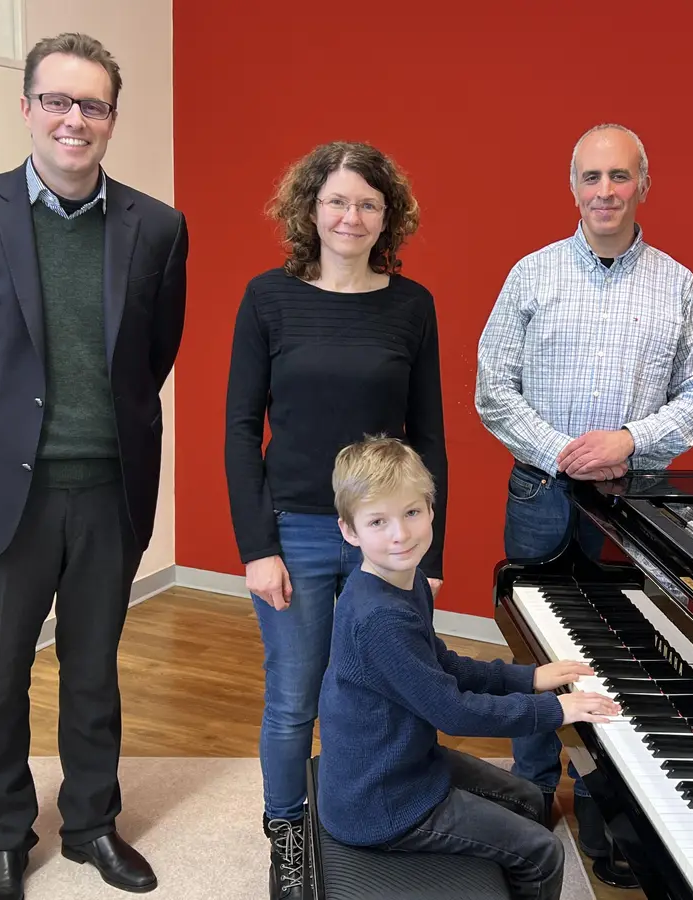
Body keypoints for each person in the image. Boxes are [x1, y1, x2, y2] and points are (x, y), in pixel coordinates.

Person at [0, 32, 187, 900]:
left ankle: (92, 827)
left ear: (111, 119)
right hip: (4, 495)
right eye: (58, 101)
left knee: (94, 667)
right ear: (26, 107)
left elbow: (154, 351)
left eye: (92, 105)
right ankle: (3, 835)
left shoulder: (158, 227)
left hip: (108, 488)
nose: (75, 119)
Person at [474, 123, 693, 866]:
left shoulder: (678, 286)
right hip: (539, 491)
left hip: (629, 504)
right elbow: (493, 389)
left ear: (645, 184)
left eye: (619, 177)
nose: (605, 191)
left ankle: (615, 795)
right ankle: (530, 789)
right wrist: (561, 452)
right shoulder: (532, 274)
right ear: (572, 186)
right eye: (591, 177)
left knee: (624, 650)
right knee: (532, 651)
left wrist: (627, 441)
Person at [224, 142, 447, 899]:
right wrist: (258, 548)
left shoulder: (412, 306)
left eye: (368, 204)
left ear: (388, 217)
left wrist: (429, 548)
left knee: (390, 688)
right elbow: (237, 430)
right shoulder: (267, 298)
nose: (352, 216)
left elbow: (430, 435)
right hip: (299, 533)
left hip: (388, 539)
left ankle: (383, 818)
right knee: (294, 696)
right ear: (310, 210)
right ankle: (287, 834)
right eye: (338, 202)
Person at [316, 436, 621, 900]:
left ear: (431, 510)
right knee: (543, 851)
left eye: (412, 513)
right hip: (381, 803)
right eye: (379, 521)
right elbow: (454, 713)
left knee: (527, 798)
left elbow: (440, 663)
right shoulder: (379, 618)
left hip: (403, 767)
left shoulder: (404, 581)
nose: (400, 534)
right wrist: (556, 712)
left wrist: (531, 677)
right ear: (350, 531)